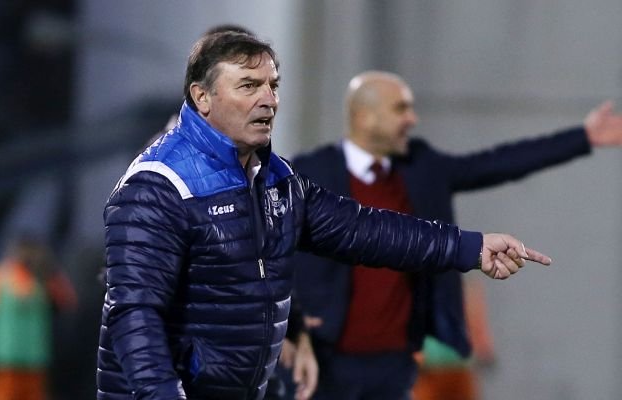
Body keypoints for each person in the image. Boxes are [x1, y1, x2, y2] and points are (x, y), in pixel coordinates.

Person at [95, 32, 551, 400]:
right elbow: (134, 314)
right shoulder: (159, 185)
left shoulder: (276, 179)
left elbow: (363, 229)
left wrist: (470, 247)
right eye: (249, 86)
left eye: (273, 85)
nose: (268, 100)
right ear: (202, 97)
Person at [290, 70, 622, 400]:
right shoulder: (307, 173)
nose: (412, 119)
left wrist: (583, 137)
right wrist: (292, 323)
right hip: (323, 356)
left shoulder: (421, 166)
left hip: (397, 360)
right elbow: (275, 251)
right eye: (400, 108)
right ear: (364, 116)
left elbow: (496, 163)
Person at [0, 235, 77, 400]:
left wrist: (52, 271)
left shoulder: (42, 279)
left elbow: (67, 301)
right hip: (4, 361)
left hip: (35, 361)